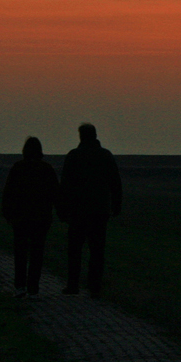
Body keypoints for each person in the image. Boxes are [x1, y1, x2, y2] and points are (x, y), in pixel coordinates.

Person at [58, 123, 122, 297]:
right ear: (95, 135)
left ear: (81, 136)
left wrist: (62, 209)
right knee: (97, 250)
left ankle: (73, 285)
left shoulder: (74, 156)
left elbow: (65, 185)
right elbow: (115, 183)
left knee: (75, 250)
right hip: (100, 211)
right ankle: (95, 287)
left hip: (78, 211)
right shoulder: (105, 155)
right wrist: (116, 205)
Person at [1, 136, 60, 296]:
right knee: (37, 253)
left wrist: (7, 212)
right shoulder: (47, 168)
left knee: (20, 253)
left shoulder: (18, 167)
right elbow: (55, 193)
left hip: (20, 218)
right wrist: (60, 211)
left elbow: (8, 192)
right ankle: (33, 288)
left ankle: (20, 286)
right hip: (41, 217)